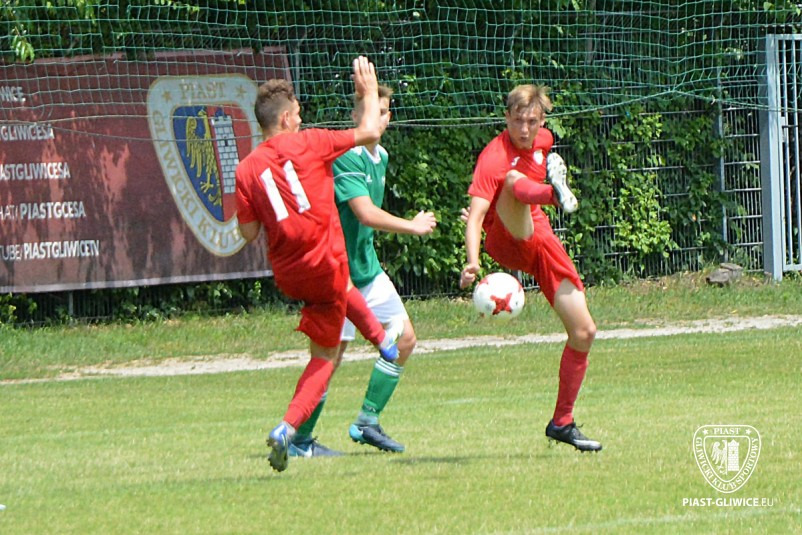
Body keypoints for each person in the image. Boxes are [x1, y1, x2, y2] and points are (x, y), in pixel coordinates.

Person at [235, 56, 400, 472]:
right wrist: (368, 92)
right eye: (298, 114)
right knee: (325, 358)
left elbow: (249, 233)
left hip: (290, 274)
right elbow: (369, 132)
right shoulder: (311, 142)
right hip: (324, 262)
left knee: (340, 289)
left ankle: (382, 340)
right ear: (286, 118)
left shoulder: (246, 168)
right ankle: (288, 429)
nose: (301, 118)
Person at [459, 84, 602, 452]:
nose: (525, 129)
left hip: (540, 240)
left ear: (542, 122)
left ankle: (562, 422)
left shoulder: (545, 142)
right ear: (506, 117)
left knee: (584, 331)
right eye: (518, 120)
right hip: (506, 239)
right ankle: (554, 194)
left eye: (532, 122)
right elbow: (474, 217)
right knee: (512, 182)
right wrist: (473, 261)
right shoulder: (493, 157)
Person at [331, 84, 436, 454]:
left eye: (383, 111)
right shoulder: (347, 155)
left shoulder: (381, 156)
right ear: (355, 116)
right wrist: (412, 226)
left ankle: (367, 421)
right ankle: (298, 435)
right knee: (329, 359)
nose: (377, 118)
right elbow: (364, 213)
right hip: (338, 274)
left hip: (367, 270)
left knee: (404, 339)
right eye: (370, 110)